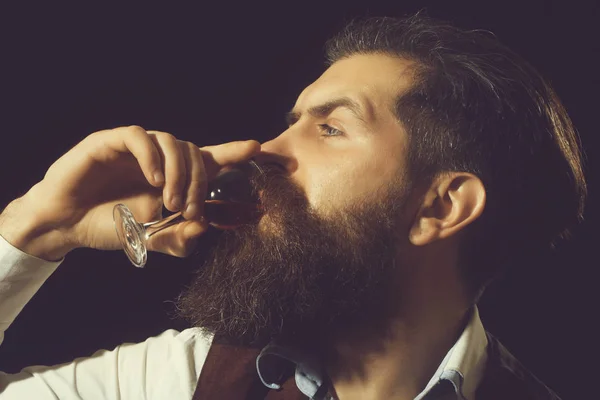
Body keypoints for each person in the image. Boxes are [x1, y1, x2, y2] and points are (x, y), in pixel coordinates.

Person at [0, 13, 586, 400]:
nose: (265, 150)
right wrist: (35, 230)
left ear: (441, 206)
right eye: (292, 123)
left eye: (330, 128)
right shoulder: (189, 376)